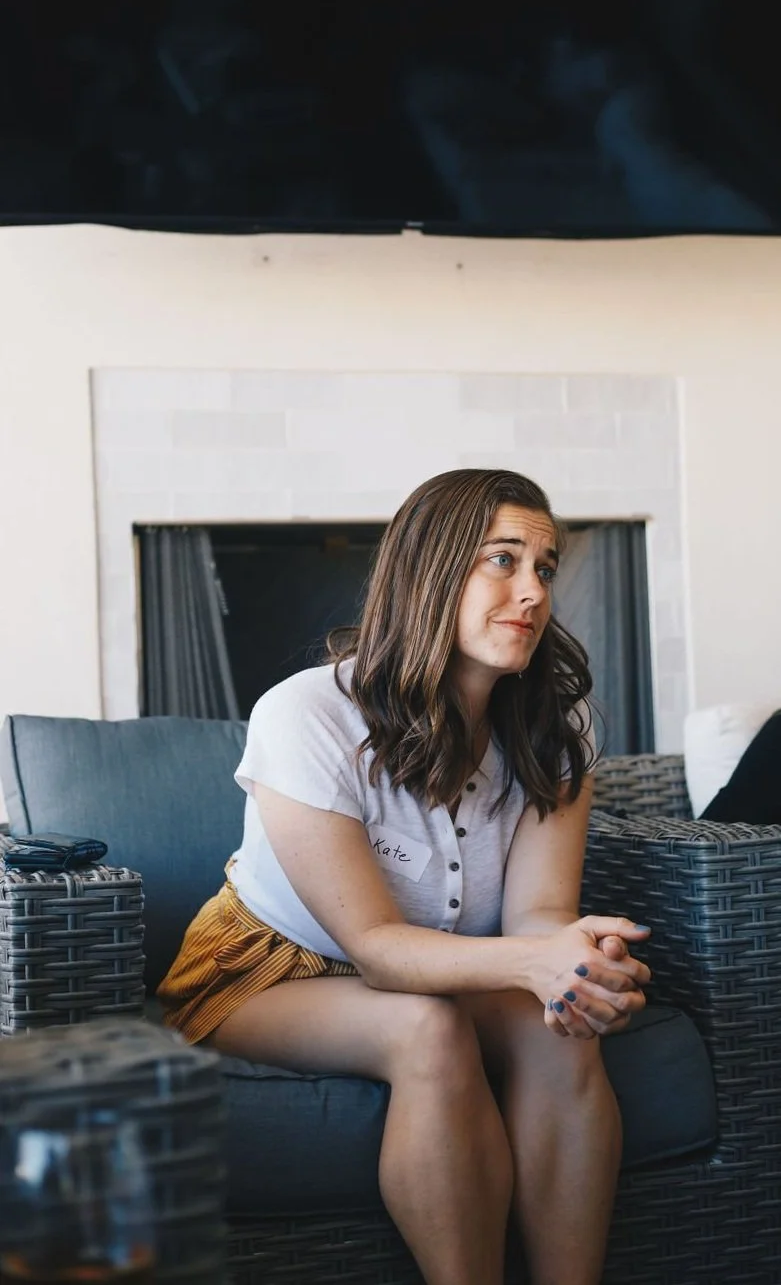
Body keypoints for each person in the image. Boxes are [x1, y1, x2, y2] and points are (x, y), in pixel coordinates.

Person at [158, 467, 652, 1285]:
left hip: (448, 967)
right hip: (263, 971)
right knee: (424, 1026)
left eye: (546, 567)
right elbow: (380, 951)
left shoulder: (551, 739)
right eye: (502, 560)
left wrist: (576, 964)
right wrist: (536, 963)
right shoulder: (308, 713)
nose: (531, 591)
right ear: (431, 570)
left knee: (553, 1025)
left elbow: (534, 918)